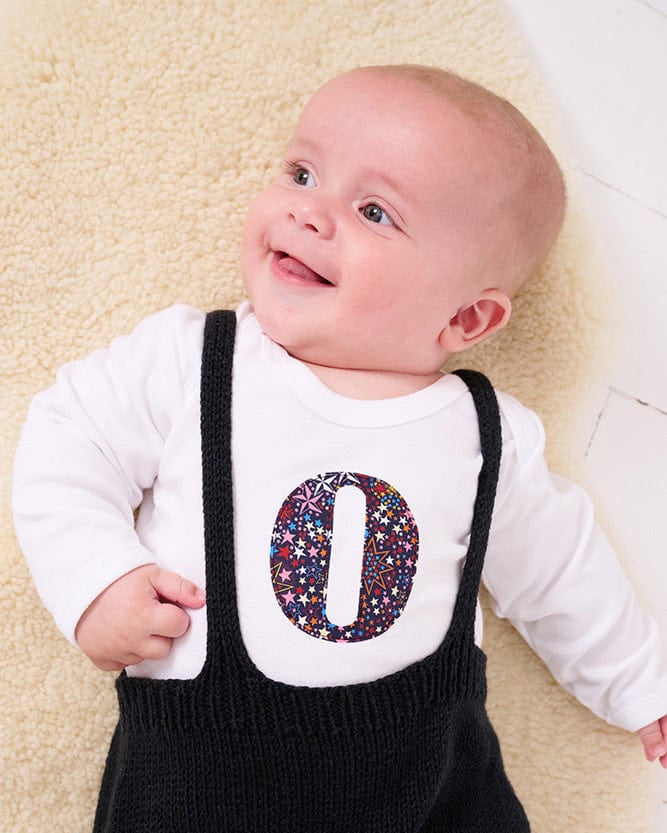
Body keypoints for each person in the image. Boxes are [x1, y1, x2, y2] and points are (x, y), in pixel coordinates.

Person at [12, 64, 667, 832]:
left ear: (467, 319)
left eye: (374, 211)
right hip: (198, 771)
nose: (309, 214)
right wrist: (96, 578)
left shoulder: (483, 434)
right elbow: (68, 439)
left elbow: (560, 572)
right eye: (301, 172)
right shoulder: (193, 360)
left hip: (422, 781)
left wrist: (639, 687)